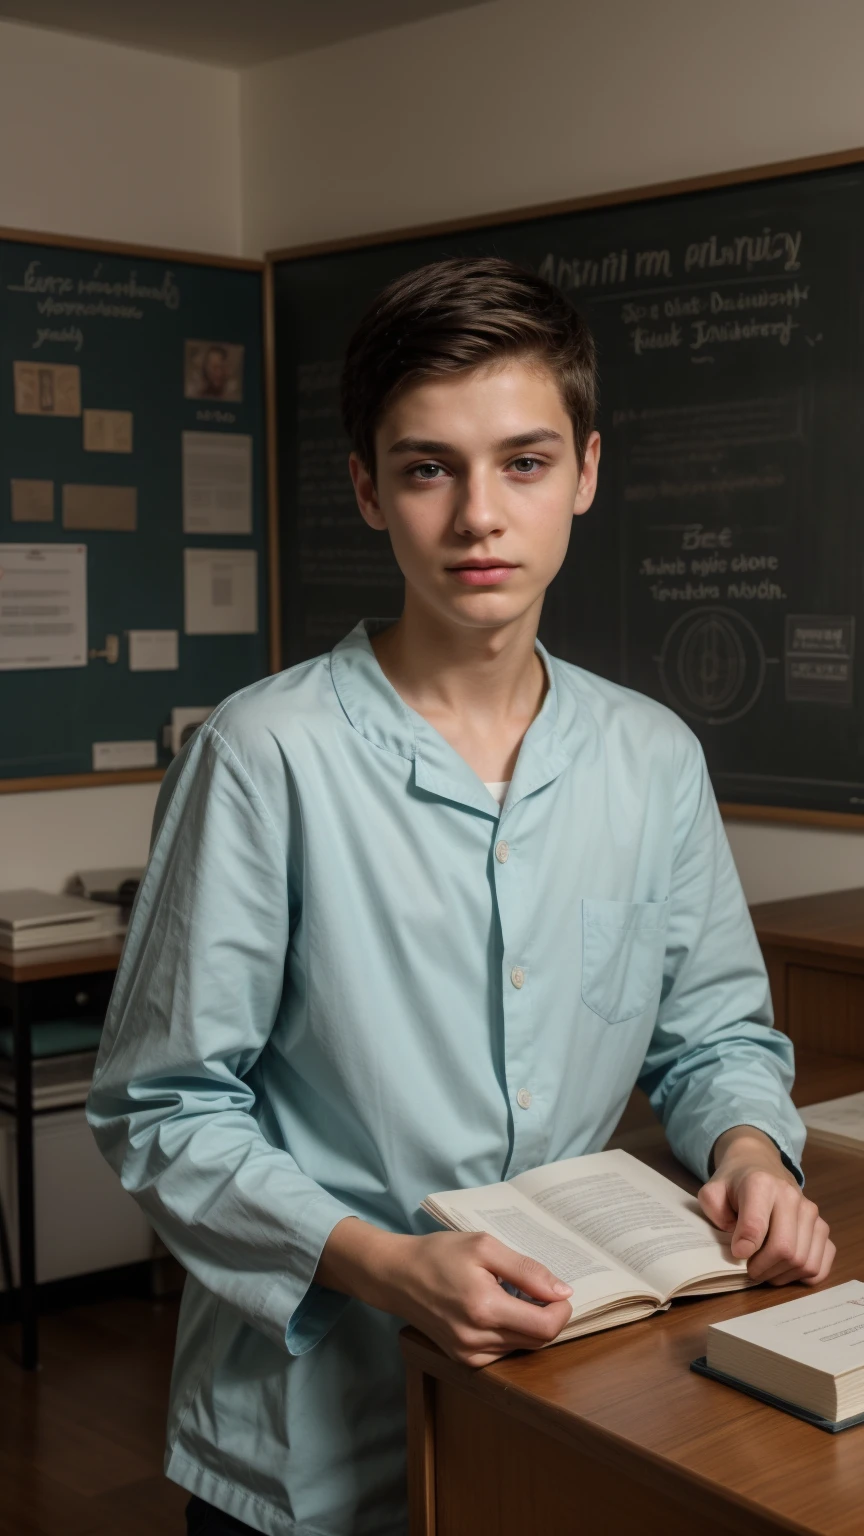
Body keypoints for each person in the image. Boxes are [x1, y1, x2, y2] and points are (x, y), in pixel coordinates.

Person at [87, 258, 834, 1536]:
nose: (480, 515)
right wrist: (383, 1264)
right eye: (431, 468)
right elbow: (163, 1109)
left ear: (587, 474)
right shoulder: (265, 757)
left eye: (525, 462)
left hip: (579, 1399)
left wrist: (751, 1150)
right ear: (371, 490)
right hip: (314, 1444)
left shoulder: (652, 757)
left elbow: (713, 1033)